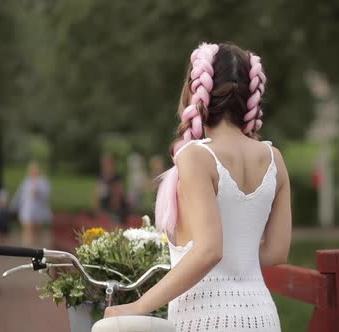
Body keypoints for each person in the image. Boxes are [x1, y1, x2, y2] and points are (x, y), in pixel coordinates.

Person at [103, 43, 291, 331]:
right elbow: (277, 252)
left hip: (207, 318)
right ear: (250, 94)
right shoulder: (274, 159)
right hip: (262, 317)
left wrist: (138, 306)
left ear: (196, 90)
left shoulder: (197, 158)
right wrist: (238, 259)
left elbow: (209, 251)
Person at [12, 161, 52, 246]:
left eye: (35, 169)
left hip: (39, 209)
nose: (33, 171)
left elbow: (47, 195)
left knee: (38, 228)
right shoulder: (26, 182)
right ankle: (27, 247)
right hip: (27, 209)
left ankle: (38, 246)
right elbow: (20, 195)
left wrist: (39, 193)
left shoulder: (43, 181)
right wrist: (14, 206)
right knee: (27, 228)